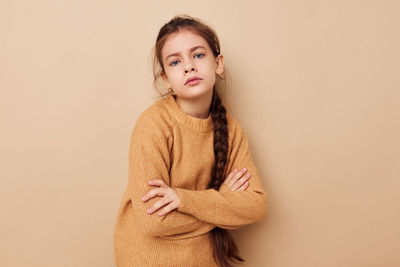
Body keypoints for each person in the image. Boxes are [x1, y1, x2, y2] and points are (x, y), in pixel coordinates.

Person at [113, 14, 267, 267]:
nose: (189, 67)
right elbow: (155, 221)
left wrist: (184, 200)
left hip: (204, 259)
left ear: (218, 64)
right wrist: (223, 202)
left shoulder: (231, 128)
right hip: (149, 259)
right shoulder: (153, 125)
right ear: (166, 80)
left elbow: (255, 206)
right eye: (175, 62)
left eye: (198, 55)